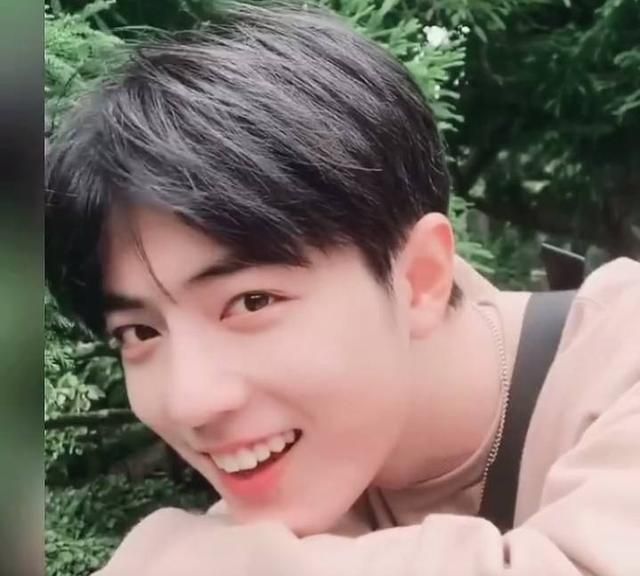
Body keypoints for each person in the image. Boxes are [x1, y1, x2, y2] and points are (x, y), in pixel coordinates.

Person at [45, 3, 640, 575]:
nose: (191, 402)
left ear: (420, 278)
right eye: (139, 332)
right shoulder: (301, 494)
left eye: (252, 302)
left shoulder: (621, 360)